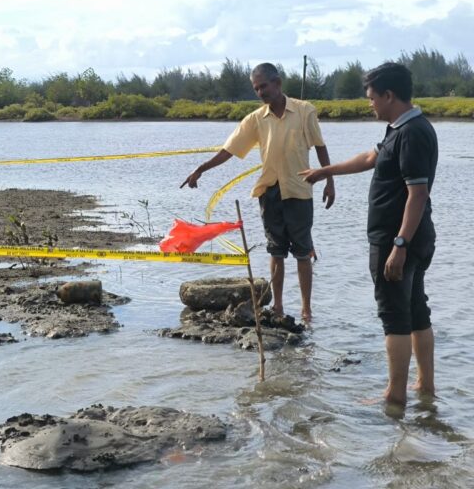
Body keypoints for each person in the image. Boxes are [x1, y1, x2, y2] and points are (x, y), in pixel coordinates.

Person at [301, 62, 437, 408]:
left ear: (389, 95)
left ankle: (395, 396)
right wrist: (325, 172)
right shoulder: (400, 128)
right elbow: (368, 157)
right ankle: (424, 387)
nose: (369, 103)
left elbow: (417, 194)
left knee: (394, 316)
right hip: (409, 238)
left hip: (398, 240)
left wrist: (399, 245)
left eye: (372, 97)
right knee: (416, 310)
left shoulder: (412, 133)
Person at [181, 63, 335, 321]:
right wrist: (201, 169)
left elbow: (320, 146)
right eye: (256, 88)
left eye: (264, 86)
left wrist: (330, 180)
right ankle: (278, 306)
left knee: (302, 251)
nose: (261, 92)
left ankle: (306, 309)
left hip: (299, 191)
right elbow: (229, 150)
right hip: (270, 191)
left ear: (278, 83)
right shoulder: (255, 119)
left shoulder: (304, 110)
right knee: (275, 251)